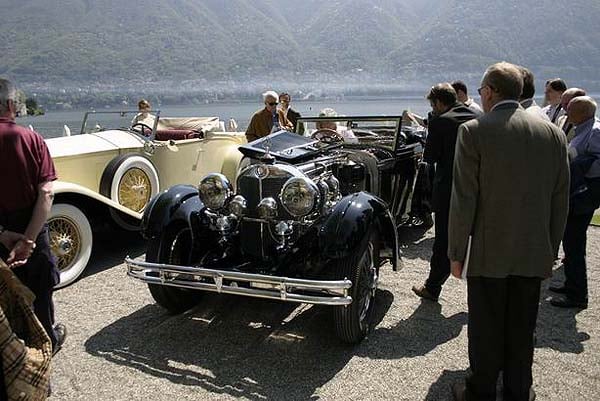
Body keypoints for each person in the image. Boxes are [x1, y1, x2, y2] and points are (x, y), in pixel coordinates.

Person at [448, 63, 569, 401]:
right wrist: (550, 247)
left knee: (486, 328)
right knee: (522, 327)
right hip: (533, 251)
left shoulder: (474, 131)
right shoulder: (554, 134)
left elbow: (464, 201)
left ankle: (480, 390)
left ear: (489, 91)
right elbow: (560, 202)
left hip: (489, 251)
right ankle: (518, 390)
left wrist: (456, 254)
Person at [0, 78, 67, 355]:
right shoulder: (32, 139)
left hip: (1, 234)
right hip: (32, 230)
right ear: (12, 105)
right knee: (40, 294)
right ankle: (45, 343)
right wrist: (28, 240)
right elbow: (47, 194)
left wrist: (2, 235)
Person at [412, 83, 477, 302]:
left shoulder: (441, 122)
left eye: (433, 104)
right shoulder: (475, 115)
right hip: (475, 187)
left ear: (439, 102)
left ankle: (433, 286)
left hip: (449, 188)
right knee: (473, 237)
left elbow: (430, 157)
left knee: (443, 240)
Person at [550, 96, 600, 309]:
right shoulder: (581, 128)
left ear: (582, 112)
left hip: (584, 195)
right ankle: (571, 284)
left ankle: (578, 295)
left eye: (569, 109)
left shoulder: (595, 132)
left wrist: (579, 168)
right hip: (576, 192)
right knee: (570, 241)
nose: (565, 112)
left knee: (575, 243)